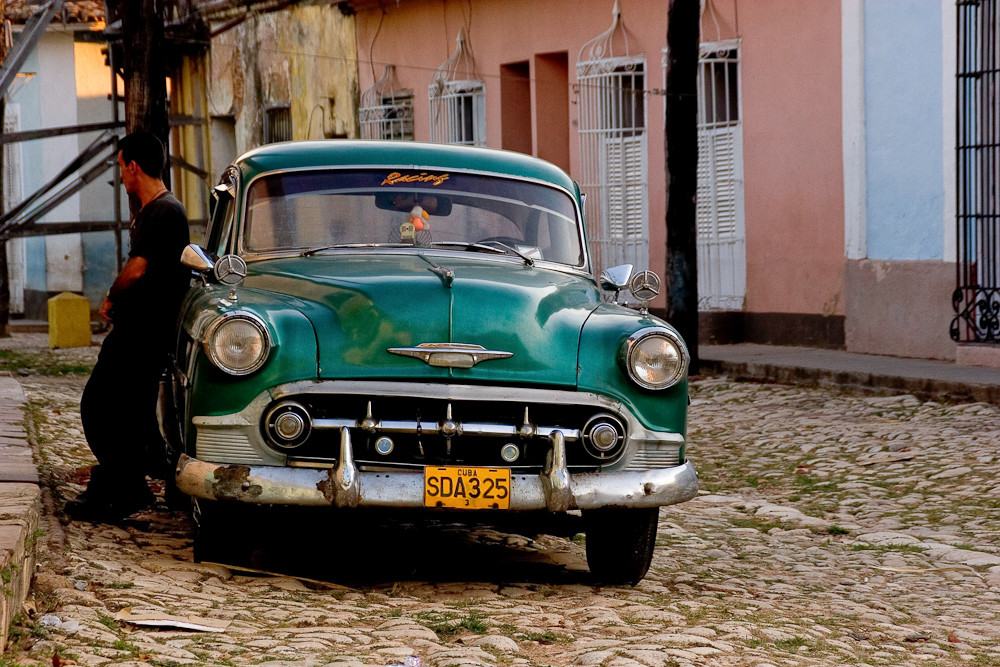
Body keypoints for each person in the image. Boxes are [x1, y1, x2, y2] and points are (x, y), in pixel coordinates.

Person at [66, 131, 191, 522]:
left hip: (143, 333)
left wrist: (110, 297)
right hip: (141, 330)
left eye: (121, 167)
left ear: (133, 166)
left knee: (100, 406)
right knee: (131, 414)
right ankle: (143, 483)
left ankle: (125, 487)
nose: (121, 176)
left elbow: (138, 269)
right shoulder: (157, 210)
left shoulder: (162, 211)